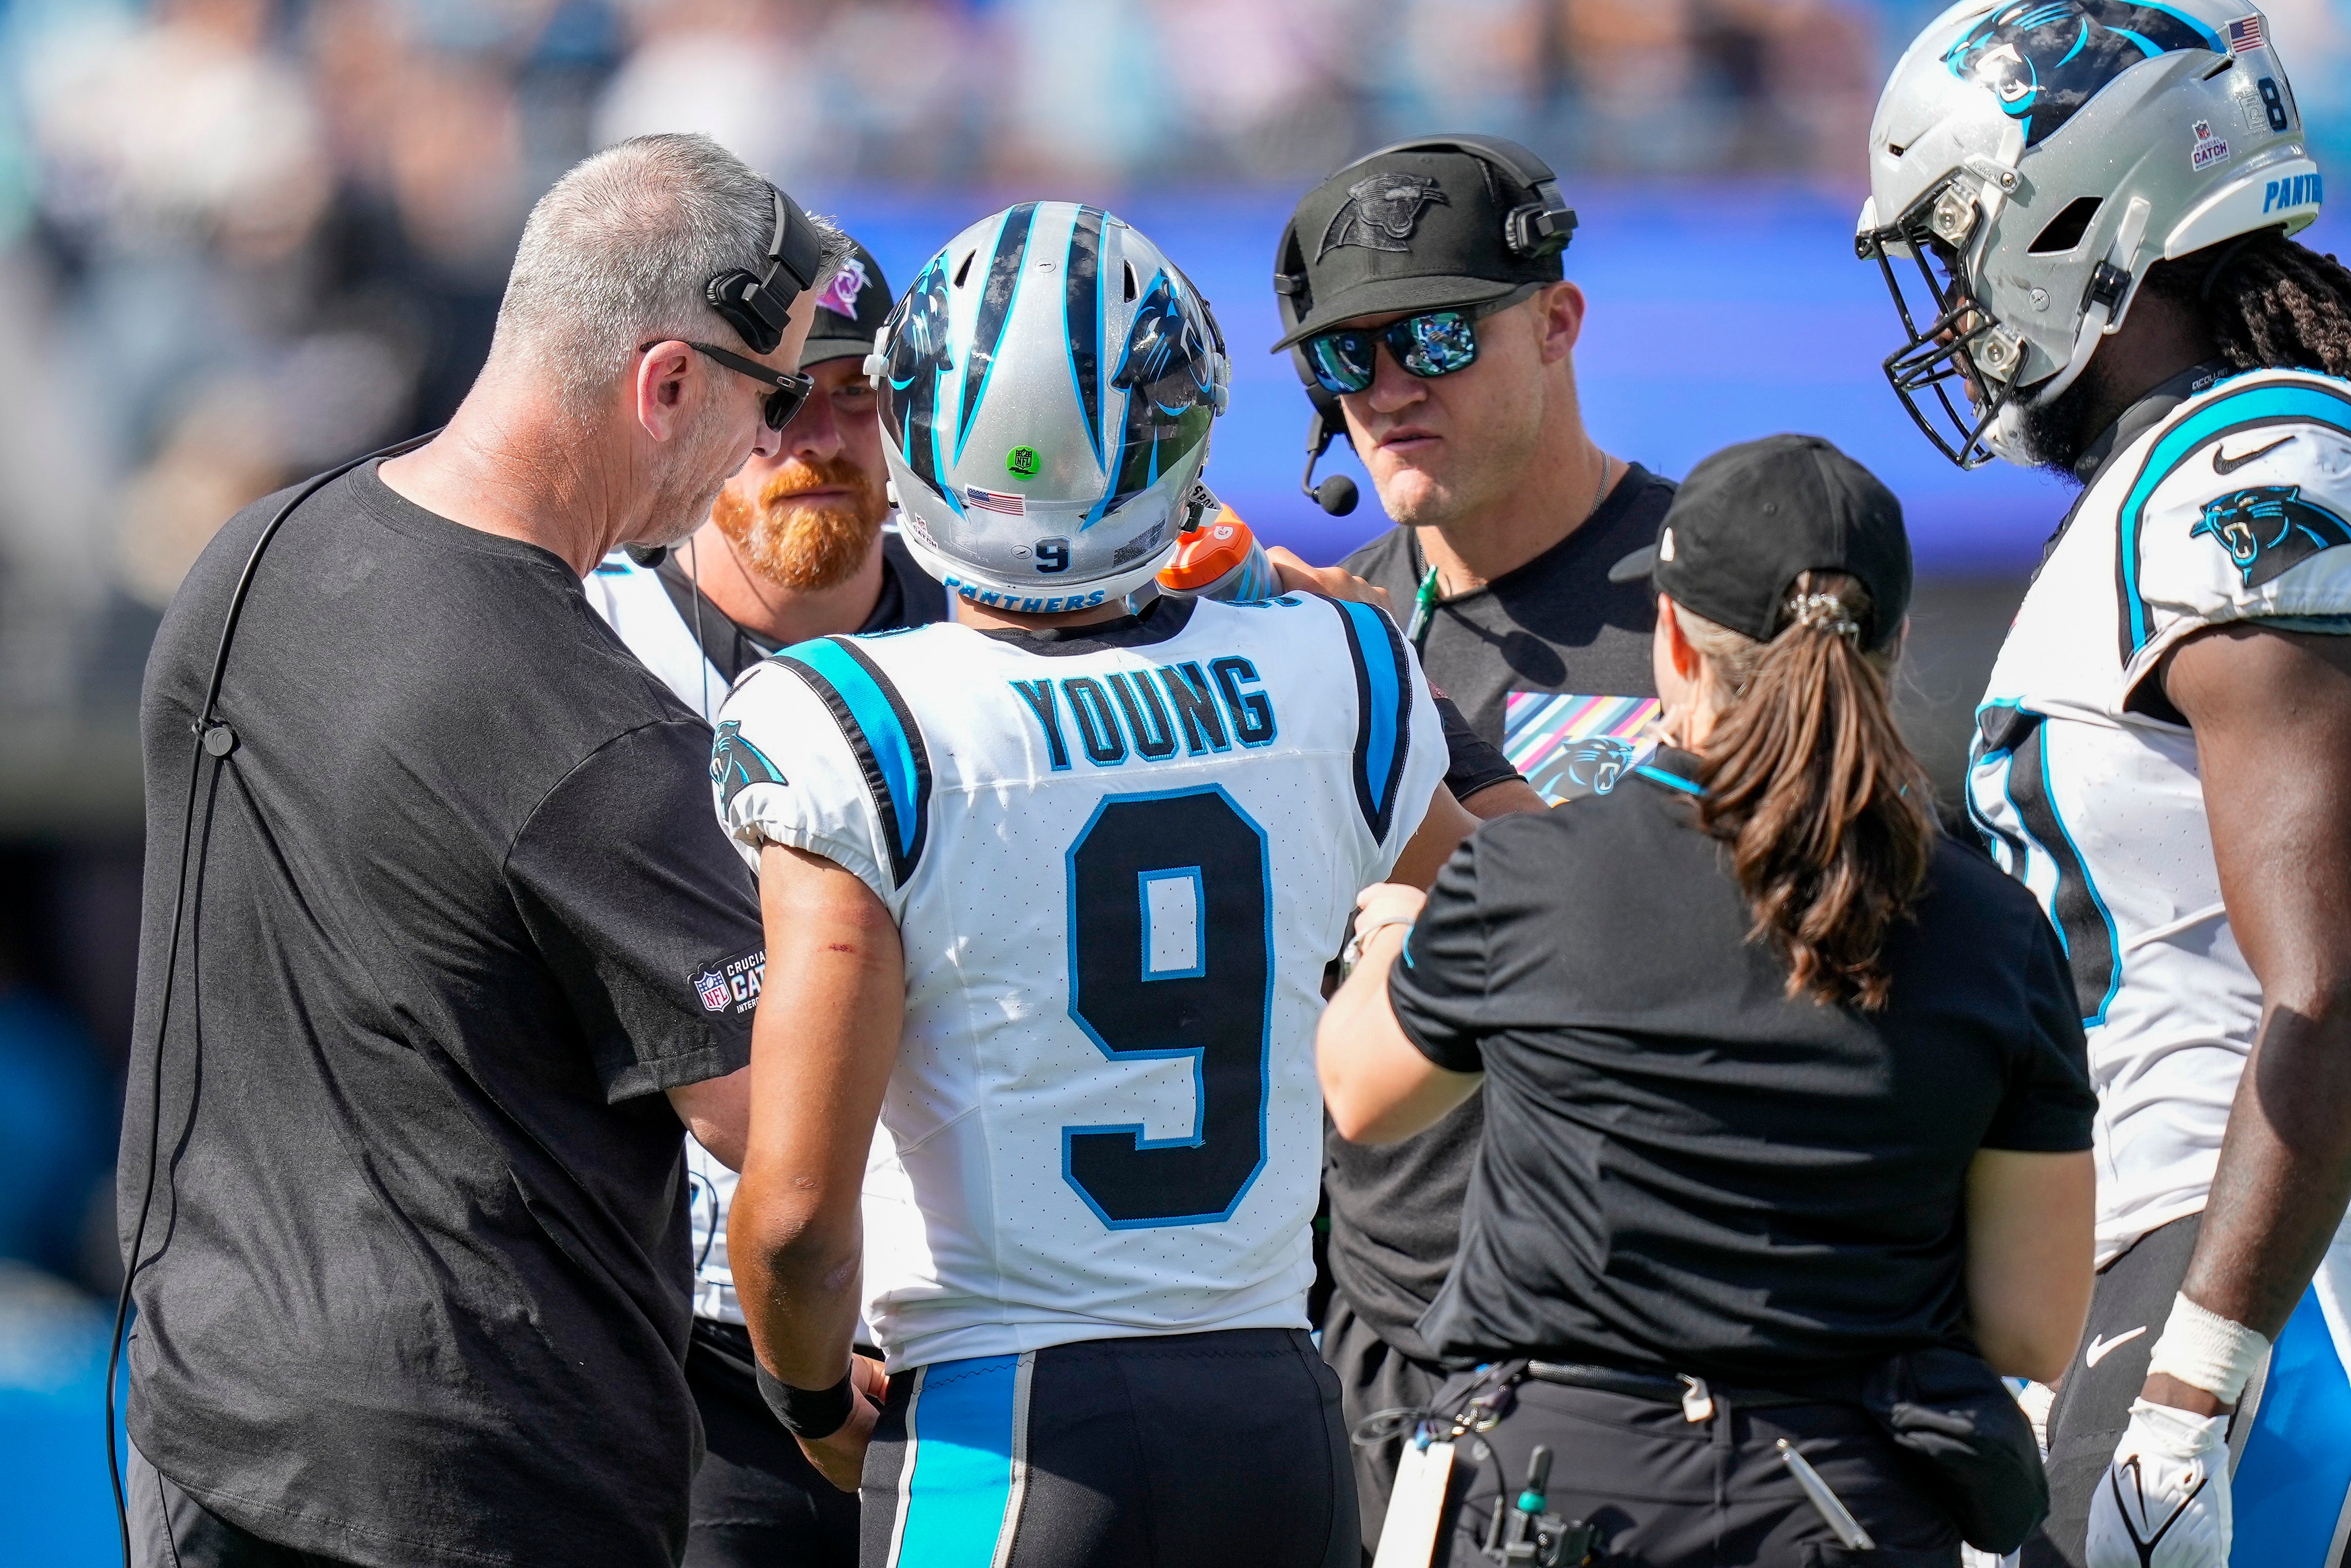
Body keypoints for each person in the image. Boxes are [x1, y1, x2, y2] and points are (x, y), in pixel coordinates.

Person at [121, 133, 848, 1568]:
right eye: (770, 399)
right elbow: (783, 1136)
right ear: (666, 384)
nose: (769, 446)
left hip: (203, 1435)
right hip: (479, 1482)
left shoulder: (252, 557)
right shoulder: (600, 736)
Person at [716, 202, 1472, 1568]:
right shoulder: (1337, 668)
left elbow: (794, 1221)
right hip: (1277, 1414)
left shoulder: (849, 716)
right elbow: (1507, 932)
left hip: (1008, 1428)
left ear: (917, 427)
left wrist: (810, 1396)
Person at [1317, 434, 2098, 1566]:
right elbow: (2030, 1327)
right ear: (1892, 647)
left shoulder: (1535, 879)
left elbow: (1362, 1094)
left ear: (1672, 641)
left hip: (1557, 1500)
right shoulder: (1995, 929)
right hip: (1849, 1507)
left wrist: (1395, 927)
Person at [1858, 5, 2351, 1563]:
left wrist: (2194, 1382)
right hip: (2182, 1249)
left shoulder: (2247, 471)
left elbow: (2329, 980)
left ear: (2075, 218)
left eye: (1956, 241)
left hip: (2249, 1274)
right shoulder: (2179, 470)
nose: (1952, 301)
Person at [1268, 135, 1664, 1546]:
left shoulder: (1721, 600)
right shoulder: (1315, 639)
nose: (1385, 389)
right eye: (1344, 354)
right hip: (1370, 1375)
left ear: (1556, 320)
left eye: (1434, 335)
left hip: (1645, 1376)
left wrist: (1402, 722)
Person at [582, 234, 919, 1568]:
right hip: (694, 1350)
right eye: (779, 400)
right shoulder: (581, 645)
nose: (819, 439)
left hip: (963, 1320)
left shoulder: (997, 629)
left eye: (857, 394)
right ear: (694, 408)